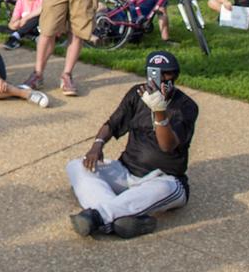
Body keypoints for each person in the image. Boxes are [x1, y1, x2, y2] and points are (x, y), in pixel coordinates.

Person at [67, 51, 197, 239]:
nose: (161, 78)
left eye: (167, 74)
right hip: (126, 172)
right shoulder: (137, 94)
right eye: (156, 73)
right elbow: (112, 124)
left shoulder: (186, 106)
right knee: (76, 166)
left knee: (163, 189)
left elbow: (167, 145)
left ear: (175, 76)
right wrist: (97, 145)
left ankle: (98, 216)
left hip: (164, 179)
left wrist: (159, 111)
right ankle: (122, 218)